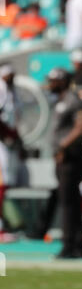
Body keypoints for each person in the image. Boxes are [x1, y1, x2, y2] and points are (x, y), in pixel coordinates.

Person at [48, 68, 82, 259]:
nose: (50, 84)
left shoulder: (73, 100)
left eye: (54, 80)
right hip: (64, 158)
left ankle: (69, 245)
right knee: (70, 202)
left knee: (68, 203)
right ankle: (78, 246)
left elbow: (81, 126)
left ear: (63, 81)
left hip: (71, 157)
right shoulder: (60, 100)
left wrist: (63, 147)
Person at [0, 63, 25, 243]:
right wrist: (6, 135)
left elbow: (14, 120)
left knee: (7, 182)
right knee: (2, 182)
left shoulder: (12, 92)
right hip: (2, 141)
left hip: (9, 142)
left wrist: (17, 141)